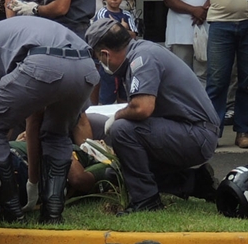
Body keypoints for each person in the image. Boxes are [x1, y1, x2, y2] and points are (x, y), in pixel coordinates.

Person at [0, 16, 99, 224]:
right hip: (86, 67)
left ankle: (11, 211)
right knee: (56, 135)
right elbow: (34, 121)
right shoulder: (21, 35)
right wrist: (32, 184)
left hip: (43, 63)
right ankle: (52, 214)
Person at [85, 18, 220, 215]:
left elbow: (142, 108)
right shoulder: (138, 53)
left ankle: (146, 200)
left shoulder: (142, 58)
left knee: (121, 129)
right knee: (115, 173)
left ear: (105, 54)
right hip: (186, 130)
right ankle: (195, 182)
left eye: (98, 58)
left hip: (197, 133)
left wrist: (117, 117)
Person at [193, 0, 248, 149]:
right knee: (217, 80)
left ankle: (243, 131)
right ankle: (212, 132)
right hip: (220, 24)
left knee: (247, 81)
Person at [92, 0, 137, 105]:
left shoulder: (127, 15)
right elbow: (102, 34)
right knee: (107, 95)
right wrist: (121, 28)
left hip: (125, 60)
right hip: (107, 62)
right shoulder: (102, 14)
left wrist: (120, 28)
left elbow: (133, 35)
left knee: (125, 94)